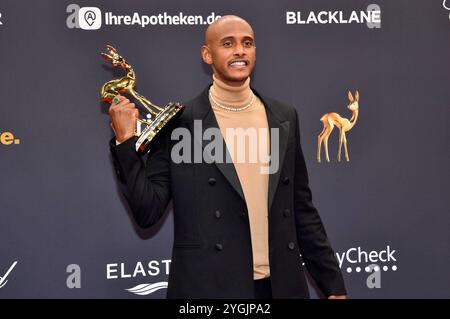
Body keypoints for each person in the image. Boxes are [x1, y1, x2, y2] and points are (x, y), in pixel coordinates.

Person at [108, 15, 346, 299]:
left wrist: (332, 285)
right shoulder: (180, 124)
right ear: (207, 54)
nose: (240, 51)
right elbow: (148, 211)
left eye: (247, 43)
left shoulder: (283, 117)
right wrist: (124, 143)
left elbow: (301, 209)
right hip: (210, 289)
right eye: (228, 43)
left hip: (281, 287)